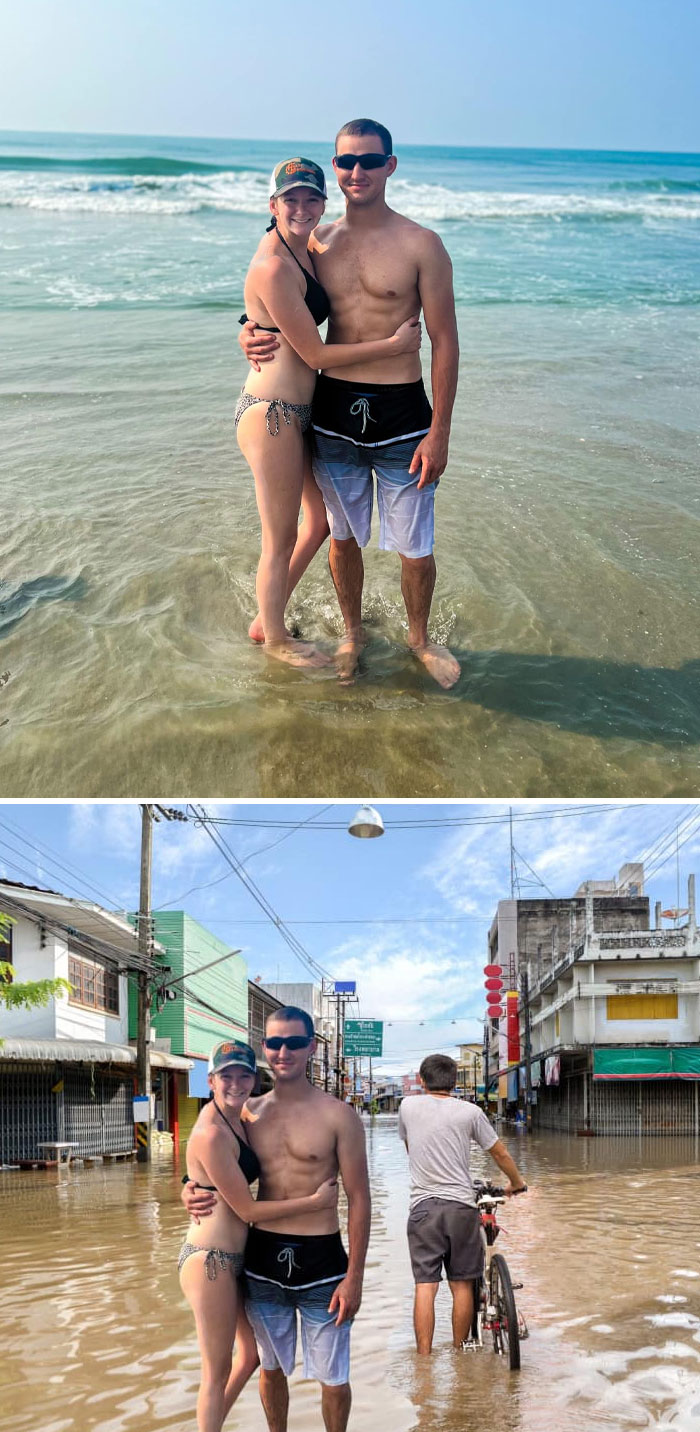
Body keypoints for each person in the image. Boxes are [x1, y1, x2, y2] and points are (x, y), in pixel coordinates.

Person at [240, 119, 461, 688]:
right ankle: (351, 634)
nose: (356, 171)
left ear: (391, 165)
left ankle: (418, 640)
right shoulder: (317, 241)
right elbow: (271, 290)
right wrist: (246, 328)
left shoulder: (422, 244)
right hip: (331, 411)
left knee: (414, 541)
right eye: (345, 162)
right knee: (339, 534)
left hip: (403, 412)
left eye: (369, 160)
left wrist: (440, 430)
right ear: (335, 169)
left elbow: (446, 339)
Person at [183, 1008, 371, 1432]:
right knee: (269, 1368)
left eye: (294, 1042)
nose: (283, 1051)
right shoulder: (247, 1113)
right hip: (261, 1260)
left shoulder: (339, 1115)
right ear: (264, 1048)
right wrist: (187, 1185)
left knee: (334, 1378)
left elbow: (360, 1199)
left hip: (323, 1262)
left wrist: (354, 1276)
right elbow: (207, 1152)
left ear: (312, 1047)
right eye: (274, 1043)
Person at [398, 1053, 528, 1355]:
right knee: (462, 1285)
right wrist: (516, 1183)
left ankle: (424, 1361)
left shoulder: (407, 1106)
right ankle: (460, 1352)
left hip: (422, 1209)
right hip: (460, 1208)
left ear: (421, 1079)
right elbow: (500, 1154)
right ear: (455, 1083)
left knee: (425, 1287)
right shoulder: (470, 1112)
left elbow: (410, 1147)